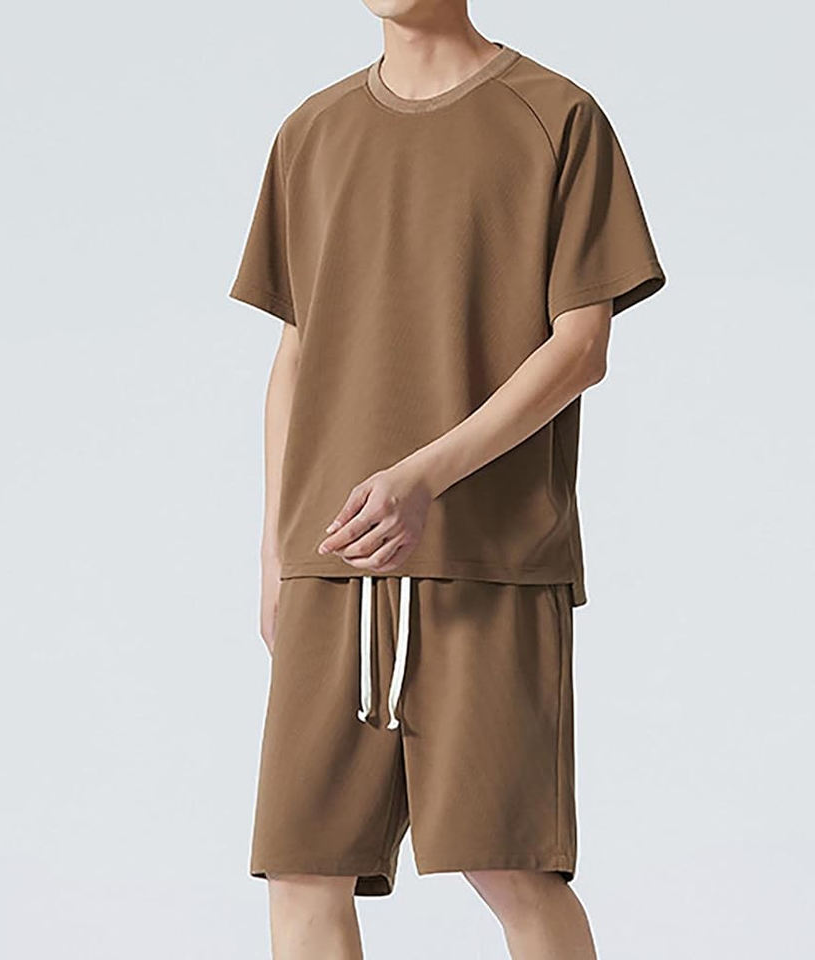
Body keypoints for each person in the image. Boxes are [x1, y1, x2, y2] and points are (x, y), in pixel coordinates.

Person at [228, 1, 666, 956]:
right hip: (332, 561)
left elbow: (581, 348)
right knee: (301, 869)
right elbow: (295, 353)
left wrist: (426, 475)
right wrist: (276, 553)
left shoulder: (557, 116)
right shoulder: (311, 133)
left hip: (489, 561)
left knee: (511, 867)